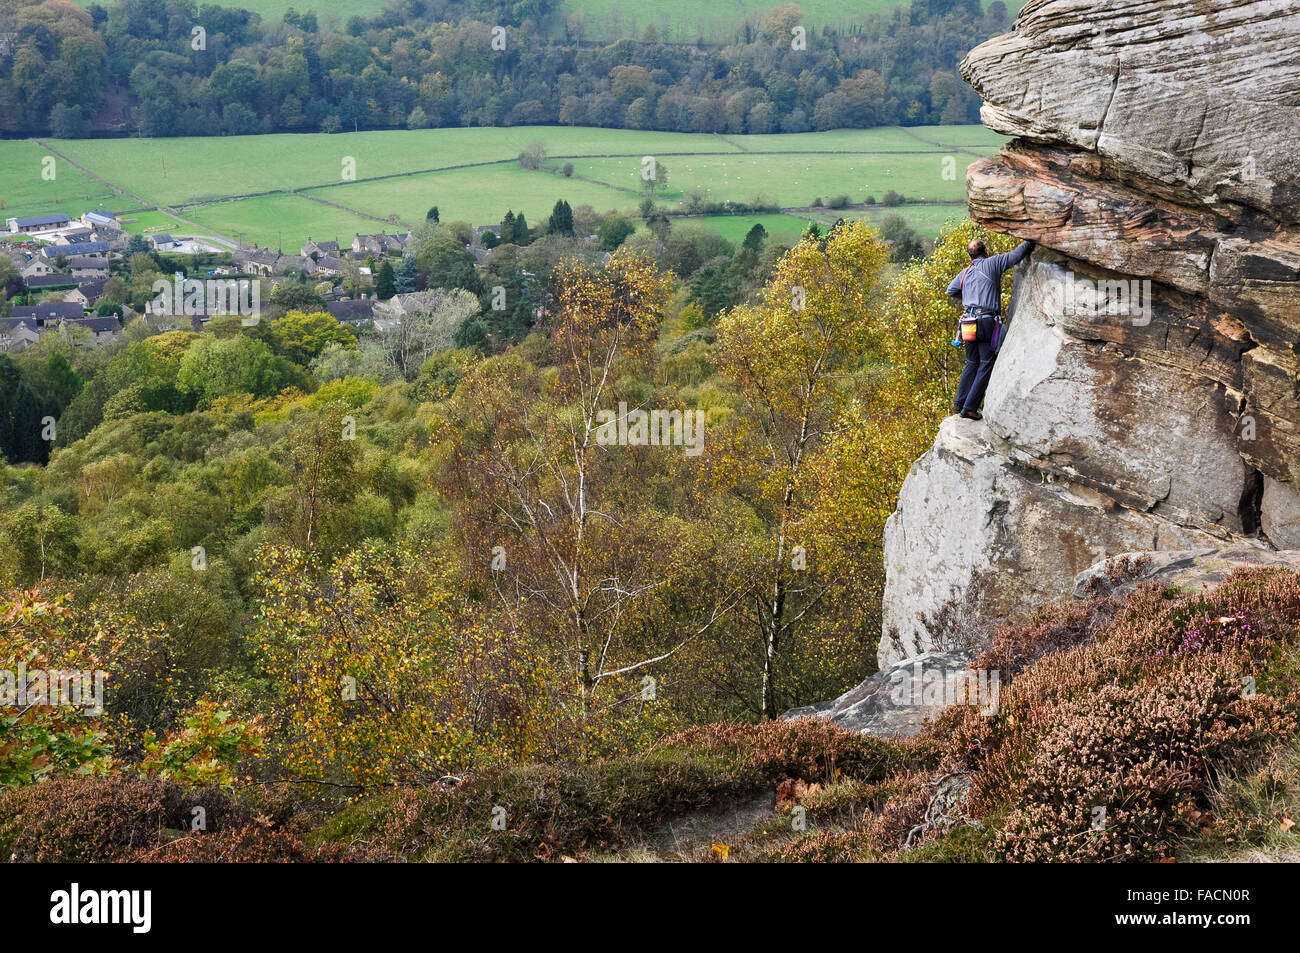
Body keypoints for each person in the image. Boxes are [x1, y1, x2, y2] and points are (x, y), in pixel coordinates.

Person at [947, 237, 1034, 421]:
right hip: (986, 320)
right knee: (986, 363)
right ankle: (969, 408)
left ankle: (960, 403)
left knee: (971, 362)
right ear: (985, 251)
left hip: (968, 322)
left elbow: (951, 290)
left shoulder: (965, 272)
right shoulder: (993, 263)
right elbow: (1016, 255)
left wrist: (969, 298)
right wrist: (1032, 239)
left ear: (970, 256)